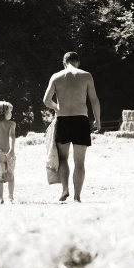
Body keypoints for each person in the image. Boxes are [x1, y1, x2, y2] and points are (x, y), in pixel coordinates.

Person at [42, 52, 101, 203]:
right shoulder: (86, 75)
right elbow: (94, 101)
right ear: (78, 62)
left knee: (63, 158)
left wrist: (57, 108)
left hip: (63, 120)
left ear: (64, 62)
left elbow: (46, 100)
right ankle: (77, 197)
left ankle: (65, 189)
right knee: (79, 162)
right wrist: (98, 121)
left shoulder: (56, 76)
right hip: (81, 119)